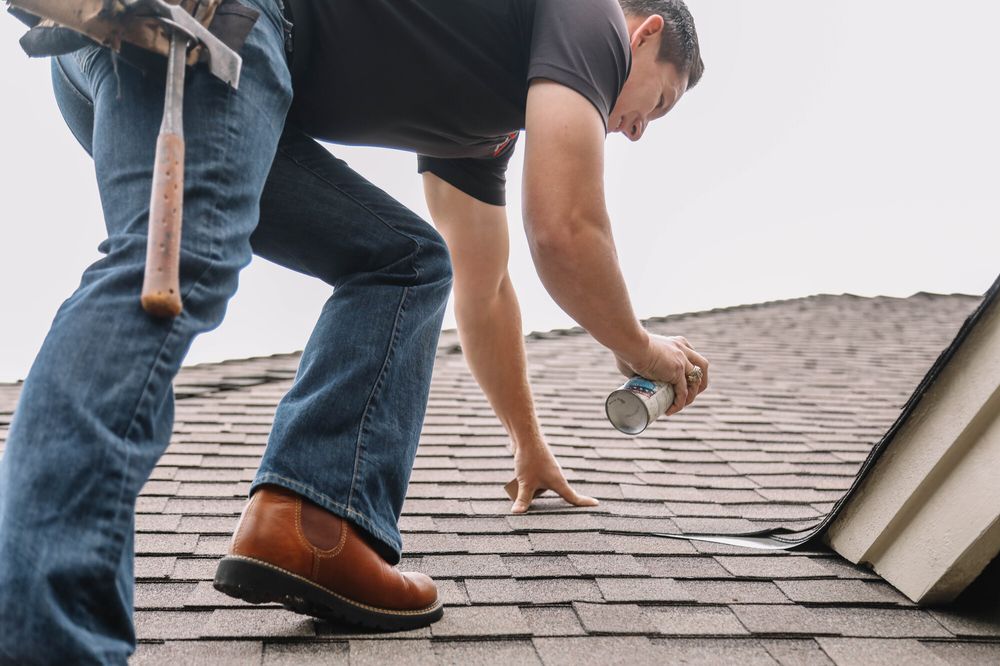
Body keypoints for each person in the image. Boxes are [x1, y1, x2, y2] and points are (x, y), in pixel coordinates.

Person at [0, 0, 708, 661]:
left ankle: (311, 521)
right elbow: (564, 229)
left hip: (154, 54)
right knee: (168, 271)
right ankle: (44, 634)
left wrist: (528, 442)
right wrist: (640, 347)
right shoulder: (592, 17)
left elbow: (484, 288)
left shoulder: (482, 120)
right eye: (661, 103)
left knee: (406, 263)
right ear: (643, 33)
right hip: (215, 24)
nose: (640, 129)